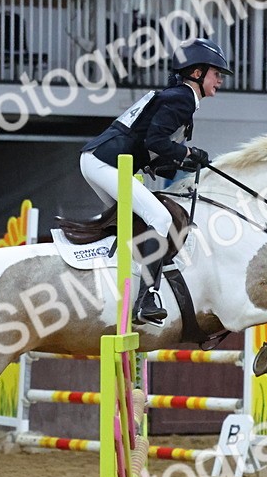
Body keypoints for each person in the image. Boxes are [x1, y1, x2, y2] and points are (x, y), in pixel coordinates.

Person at [80, 38, 231, 325]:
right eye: (216, 74)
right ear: (196, 73)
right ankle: (146, 297)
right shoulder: (183, 98)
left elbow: (152, 153)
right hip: (105, 162)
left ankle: (111, 282)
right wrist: (187, 152)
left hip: (99, 160)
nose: (220, 81)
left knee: (135, 222)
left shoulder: (178, 97)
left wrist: (183, 161)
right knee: (160, 219)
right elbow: (156, 141)